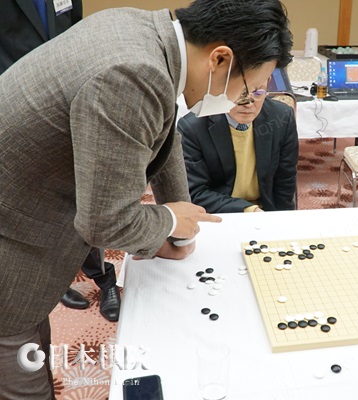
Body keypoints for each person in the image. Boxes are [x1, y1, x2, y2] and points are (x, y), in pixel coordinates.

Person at [0, 0, 292, 398]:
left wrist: (178, 228)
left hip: (29, 214)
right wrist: (168, 221)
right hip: (13, 248)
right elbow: (105, 220)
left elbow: (164, 132)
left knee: (33, 349)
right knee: (21, 378)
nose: (246, 99)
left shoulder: (146, 34)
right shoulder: (133, 73)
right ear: (220, 59)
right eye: (248, 89)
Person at [0, 0, 121, 321]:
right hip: (21, 106)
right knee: (42, 200)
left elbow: (75, 32)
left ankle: (103, 276)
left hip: (71, 99)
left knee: (87, 192)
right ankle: (58, 280)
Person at [178, 80, 299, 213]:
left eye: (258, 93)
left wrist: (282, 220)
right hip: (219, 213)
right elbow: (196, 193)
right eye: (240, 93)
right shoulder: (193, 127)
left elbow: (285, 183)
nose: (248, 104)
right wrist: (249, 210)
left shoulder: (281, 117)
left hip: (265, 212)